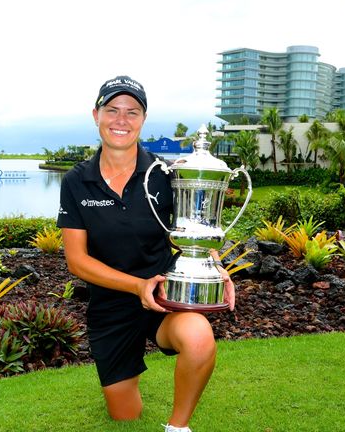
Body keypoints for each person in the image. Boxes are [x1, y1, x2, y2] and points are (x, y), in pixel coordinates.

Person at [56, 75, 235, 432]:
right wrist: (137, 286)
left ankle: (178, 428)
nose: (121, 120)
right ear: (96, 115)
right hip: (111, 306)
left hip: (164, 294)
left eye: (132, 112)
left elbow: (192, 231)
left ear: (143, 119)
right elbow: (77, 260)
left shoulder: (165, 174)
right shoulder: (76, 181)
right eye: (112, 110)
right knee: (125, 415)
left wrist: (216, 268)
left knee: (199, 338)